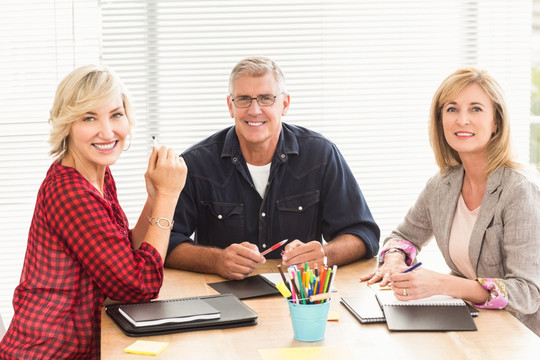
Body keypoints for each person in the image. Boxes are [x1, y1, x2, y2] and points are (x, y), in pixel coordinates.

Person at [0, 65, 188, 359]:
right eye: (89, 117)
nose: (108, 131)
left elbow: (125, 257)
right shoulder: (71, 193)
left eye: (116, 114)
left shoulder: (95, 175)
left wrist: (153, 197)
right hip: (47, 353)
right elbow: (139, 286)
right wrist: (168, 194)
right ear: (67, 125)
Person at [361, 67, 540, 336]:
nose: (462, 120)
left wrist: (442, 284)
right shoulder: (444, 183)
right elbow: (403, 236)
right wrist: (395, 259)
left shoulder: (518, 189)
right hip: (471, 326)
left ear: (496, 123)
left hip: (517, 336)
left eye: (476, 109)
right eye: (452, 109)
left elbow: (527, 293)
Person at [165, 56, 380, 280]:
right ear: (230, 106)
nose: (254, 110)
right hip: (223, 300)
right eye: (244, 99)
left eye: (266, 98)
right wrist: (216, 260)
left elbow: (364, 235)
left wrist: (325, 255)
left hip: (299, 295)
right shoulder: (195, 163)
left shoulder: (321, 155)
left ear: (284, 104)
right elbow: (164, 243)